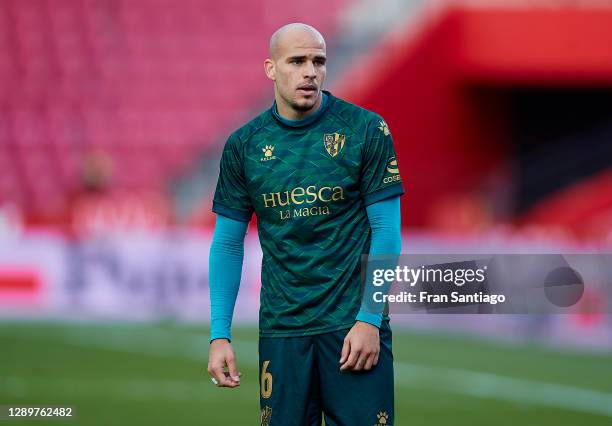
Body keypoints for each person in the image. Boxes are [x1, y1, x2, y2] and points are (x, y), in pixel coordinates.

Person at [207, 22, 403, 426]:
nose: (310, 71)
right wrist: (219, 334)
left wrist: (369, 318)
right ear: (271, 68)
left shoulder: (365, 130)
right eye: (297, 61)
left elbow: (387, 231)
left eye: (318, 61)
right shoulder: (244, 146)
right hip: (282, 330)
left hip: (352, 328)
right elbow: (227, 244)